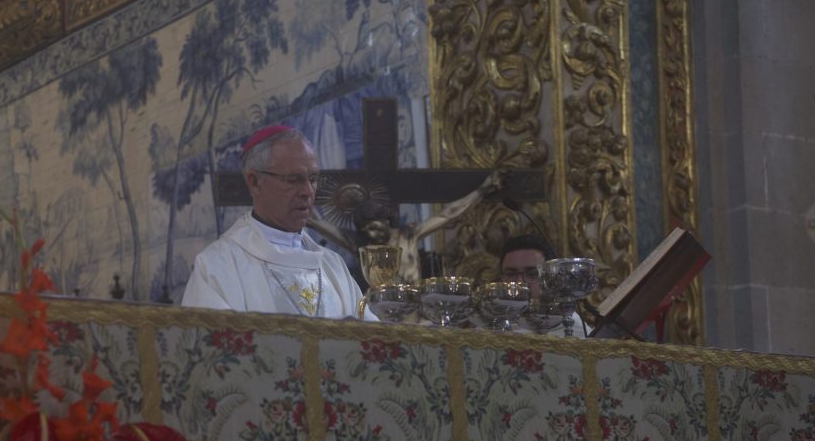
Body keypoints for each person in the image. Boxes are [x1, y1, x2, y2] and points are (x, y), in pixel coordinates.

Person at [182, 126, 373, 319]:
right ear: (255, 182)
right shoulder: (217, 268)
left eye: (313, 179)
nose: (308, 191)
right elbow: (208, 346)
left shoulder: (333, 267)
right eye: (293, 180)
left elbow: (370, 340)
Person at [309, 170, 506, 284]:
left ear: (387, 221)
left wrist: (482, 191)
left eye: (376, 227)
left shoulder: (408, 235)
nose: (372, 233)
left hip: (413, 306)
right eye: (367, 229)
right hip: (382, 310)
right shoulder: (360, 244)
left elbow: (448, 214)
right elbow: (318, 223)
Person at [499, 233, 587, 337]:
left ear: (552, 279)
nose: (519, 283)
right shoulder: (488, 329)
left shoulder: (576, 330)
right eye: (510, 274)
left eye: (532, 274)